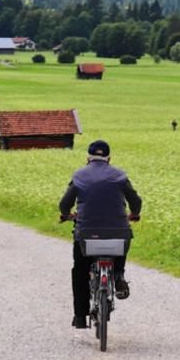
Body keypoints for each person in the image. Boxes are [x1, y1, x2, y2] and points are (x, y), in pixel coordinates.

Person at [59, 139, 142, 329]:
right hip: (117, 232)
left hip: (87, 233)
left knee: (80, 271)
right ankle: (119, 276)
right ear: (109, 158)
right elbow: (135, 201)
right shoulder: (120, 175)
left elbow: (65, 204)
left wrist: (65, 215)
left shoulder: (79, 175)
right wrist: (135, 214)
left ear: (88, 158)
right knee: (121, 240)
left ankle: (80, 317)